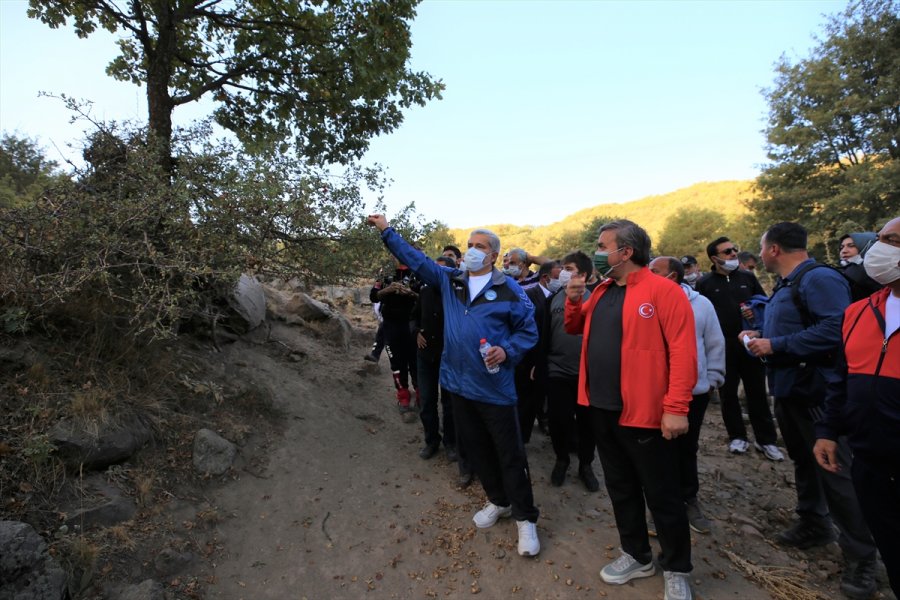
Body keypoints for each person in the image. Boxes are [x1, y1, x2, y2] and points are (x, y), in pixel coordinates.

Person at [367, 213, 542, 557]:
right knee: (476, 449)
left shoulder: (510, 290)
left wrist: (505, 351)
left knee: (509, 455)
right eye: (470, 245)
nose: (473, 251)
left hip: (495, 390)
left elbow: (529, 332)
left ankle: (526, 519)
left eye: (480, 247)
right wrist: (387, 230)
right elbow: (415, 259)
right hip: (458, 386)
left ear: (493, 255)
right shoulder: (451, 280)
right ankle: (498, 501)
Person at [742, 221, 878, 600]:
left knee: (837, 472)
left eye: (761, 246)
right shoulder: (788, 284)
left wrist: (777, 344)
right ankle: (814, 523)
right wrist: (760, 337)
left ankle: (863, 556)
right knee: (804, 460)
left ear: (772, 249)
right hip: (790, 391)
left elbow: (839, 328)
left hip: (818, 393)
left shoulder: (819, 279)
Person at [565, 219, 697, 600]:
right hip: (601, 408)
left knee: (662, 494)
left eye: (604, 245)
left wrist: (676, 408)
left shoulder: (664, 291)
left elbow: (683, 353)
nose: (598, 251)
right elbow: (576, 327)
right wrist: (574, 300)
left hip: (647, 413)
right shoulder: (603, 289)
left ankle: (676, 568)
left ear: (626, 251)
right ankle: (637, 554)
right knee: (621, 488)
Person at [814, 217, 900, 597]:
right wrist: (829, 431)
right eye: (879, 240)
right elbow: (841, 378)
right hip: (869, 458)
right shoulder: (860, 311)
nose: (878, 249)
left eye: (892, 241)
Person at [649, 256, 726, 534]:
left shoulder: (701, 305)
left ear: (672, 277)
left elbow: (715, 342)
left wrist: (713, 378)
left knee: (687, 446)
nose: (648, 274)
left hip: (694, 391)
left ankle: (688, 498)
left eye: (654, 271)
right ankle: (661, 506)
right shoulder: (646, 303)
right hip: (654, 391)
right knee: (656, 449)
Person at [696, 236, 783, 460]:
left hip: (750, 345)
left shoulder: (747, 277)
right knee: (729, 395)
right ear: (715, 258)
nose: (734, 253)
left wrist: (756, 319)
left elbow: (765, 306)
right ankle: (737, 436)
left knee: (756, 393)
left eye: (734, 249)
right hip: (721, 348)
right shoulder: (705, 283)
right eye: (727, 252)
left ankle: (766, 440)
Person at [541, 250, 599, 491]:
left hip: (588, 375)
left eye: (569, 269)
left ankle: (585, 465)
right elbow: (543, 335)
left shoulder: (597, 299)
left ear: (583, 275)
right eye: (562, 268)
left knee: (588, 423)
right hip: (557, 372)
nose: (563, 272)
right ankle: (562, 459)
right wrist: (539, 365)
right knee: (558, 421)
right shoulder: (552, 299)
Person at [413, 255, 459, 461]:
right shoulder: (423, 292)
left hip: (449, 356)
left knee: (449, 403)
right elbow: (413, 317)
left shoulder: (458, 295)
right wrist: (416, 332)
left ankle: (451, 443)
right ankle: (431, 441)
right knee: (427, 401)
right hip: (425, 356)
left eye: (440, 270)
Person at [368, 261, 419, 421]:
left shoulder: (418, 271)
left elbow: (427, 298)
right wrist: (387, 290)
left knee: (415, 362)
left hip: (412, 324)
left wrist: (411, 293)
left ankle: (420, 396)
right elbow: (373, 296)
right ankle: (403, 396)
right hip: (390, 324)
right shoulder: (385, 272)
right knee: (396, 363)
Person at [516, 261, 557, 443]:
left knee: (541, 400)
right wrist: (534, 362)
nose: (563, 277)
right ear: (546, 278)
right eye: (559, 273)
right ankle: (520, 438)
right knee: (525, 401)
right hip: (529, 360)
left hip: (550, 358)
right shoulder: (529, 296)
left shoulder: (558, 297)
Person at [838, 232, 882, 302]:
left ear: (869, 246)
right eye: (841, 247)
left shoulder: (878, 272)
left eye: (851, 246)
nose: (844, 251)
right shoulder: (842, 271)